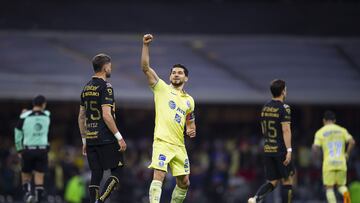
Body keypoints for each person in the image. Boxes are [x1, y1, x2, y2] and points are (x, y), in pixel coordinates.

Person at [141, 34, 196, 203]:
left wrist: (190, 127)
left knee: (184, 182)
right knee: (159, 174)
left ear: (186, 78)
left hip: (179, 145)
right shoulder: (161, 88)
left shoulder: (189, 100)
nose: (176, 75)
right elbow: (145, 67)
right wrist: (145, 45)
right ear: (170, 76)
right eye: (173, 73)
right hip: (162, 141)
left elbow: (190, 117)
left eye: (180, 73)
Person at [78, 53, 127, 203]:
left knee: (96, 173)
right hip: (106, 137)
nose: (111, 69)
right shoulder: (106, 87)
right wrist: (119, 137)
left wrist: (84, 140)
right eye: (110, 66)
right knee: (118, 170)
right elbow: (106, 115)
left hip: (91, 138)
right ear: (105, 67)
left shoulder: (86, 88)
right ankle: (101, 200)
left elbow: (81, 117)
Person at [248, 79, 295, 203]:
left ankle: (256, 198)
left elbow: (264, 130)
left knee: (273, 182)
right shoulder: (285, 108)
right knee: (288, 180)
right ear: (283, 91)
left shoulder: (265, 107)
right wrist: (289, 150)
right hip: (281, 150)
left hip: (268, 148)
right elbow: (286, 130)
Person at [312, 110, 355, 203]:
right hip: (341, 162)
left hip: (328, 163)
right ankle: (347, 201)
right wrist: (347, 154)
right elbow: (352, 142)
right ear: (334, 120)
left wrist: (317, 158)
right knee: (342, 186)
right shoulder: (342, 130)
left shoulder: (320, 132)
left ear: (324, 120)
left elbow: (315, 148)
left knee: (329, 189)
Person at [14, 95, 51, 203]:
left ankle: (28, 193)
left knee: (25, 174)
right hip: (42, 150)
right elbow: (41, 112)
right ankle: (39, 199)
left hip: (28, 150)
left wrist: (19, 149)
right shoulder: (47, 115)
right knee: (39, 176)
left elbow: (17, 132)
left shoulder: (24, 116)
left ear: (33, 104)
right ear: (44, 104)